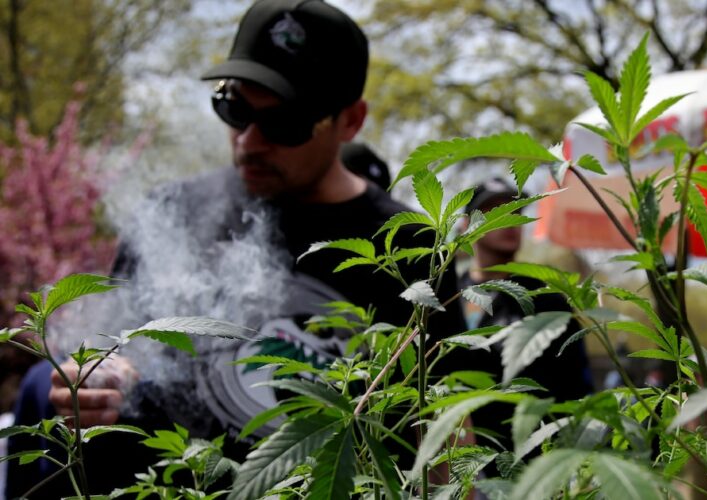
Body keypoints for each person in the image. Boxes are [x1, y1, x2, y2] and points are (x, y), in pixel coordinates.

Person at [6, 1, 464, 497]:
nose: (249, 141)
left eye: (285, 122)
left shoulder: (414, 247)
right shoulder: (172, 210)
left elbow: (447, 422)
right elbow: (117, 350)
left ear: (351, 121)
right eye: (234, 107)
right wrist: (94, 380)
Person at [458, 177, 593, 451]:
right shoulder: (444, 294)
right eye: (494, 212)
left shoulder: (545, 300)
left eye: (516, 212)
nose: (510, 220)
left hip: (525, 453)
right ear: (465, 226)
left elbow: (576, 385)